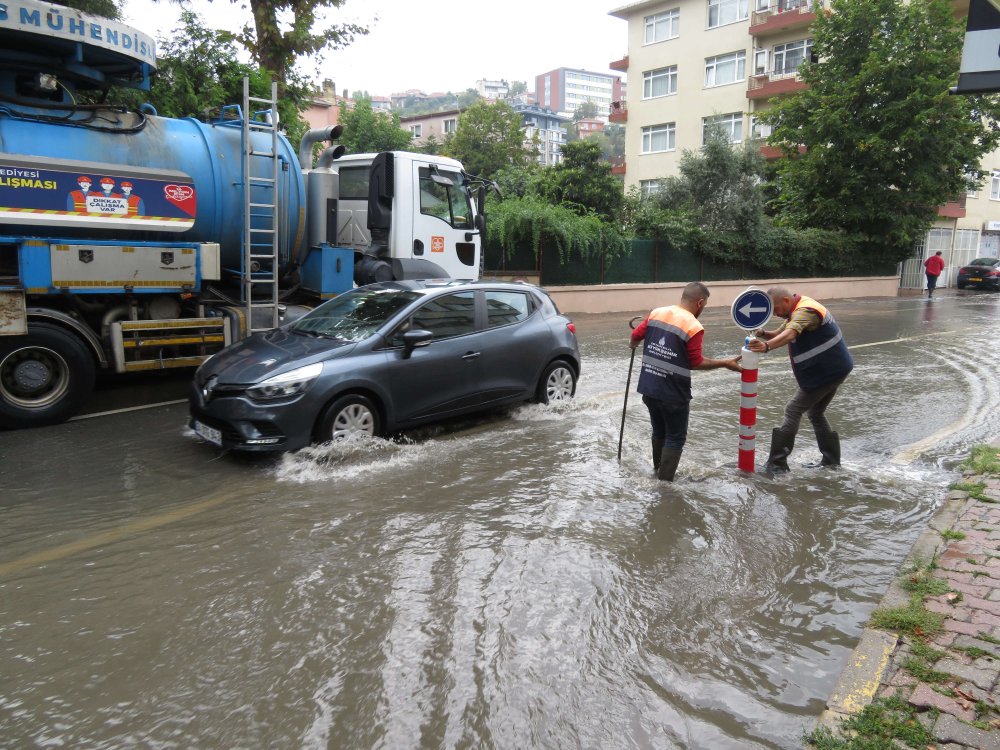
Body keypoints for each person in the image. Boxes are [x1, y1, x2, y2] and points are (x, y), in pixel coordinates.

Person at [629, 281, 743, 481]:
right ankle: (664, 484)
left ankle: (657, 471)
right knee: (675, 437)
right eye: (705, 305)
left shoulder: (657, 313)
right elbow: (695, 362)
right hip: (673, 395)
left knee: (659, 431)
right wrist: (724, 363)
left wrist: (633, 345)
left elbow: (635, 335)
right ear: (700, 302)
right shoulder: (694, 326)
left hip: (649, 388)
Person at [746, 287, 853, 471]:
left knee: (793, 410)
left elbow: (790, 334)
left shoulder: (806, 311)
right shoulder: (795, 311)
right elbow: (780, 333)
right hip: (834, 369)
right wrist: (762, 332)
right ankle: (831, 462)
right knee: (815, 413)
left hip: (826, 372)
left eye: (776, 309)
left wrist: (765, 347)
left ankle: (777, 464)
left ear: (786, 301)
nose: (775, 314)